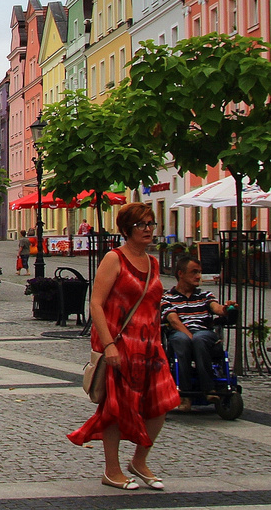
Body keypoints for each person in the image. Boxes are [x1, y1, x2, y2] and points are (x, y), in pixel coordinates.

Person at [69, 203, 178, 492]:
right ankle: (112, 470)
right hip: (120, 344)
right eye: (142, 224)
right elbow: (96, 303)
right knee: (116, 408)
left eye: (151, 224)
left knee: (162, 404)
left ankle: (139, 461)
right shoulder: (114, 258)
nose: (148, 230)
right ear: (127, 229)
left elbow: (153, 302)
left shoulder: (153, 263)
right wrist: (108, 345)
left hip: (150, 345)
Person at [161, 257, 233, 408]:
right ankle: (185, 394)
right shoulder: (167, 298)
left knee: (200, 339)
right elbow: (174, 321)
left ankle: (209, 389)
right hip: (181, 332)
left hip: (203, 333)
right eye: (194, 272)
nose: (198, 276)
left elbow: (216, 308)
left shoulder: (205, 295)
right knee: (182, 340)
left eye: (199, 272)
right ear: (181, 274)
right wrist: (190, 336)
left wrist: (225, 309)